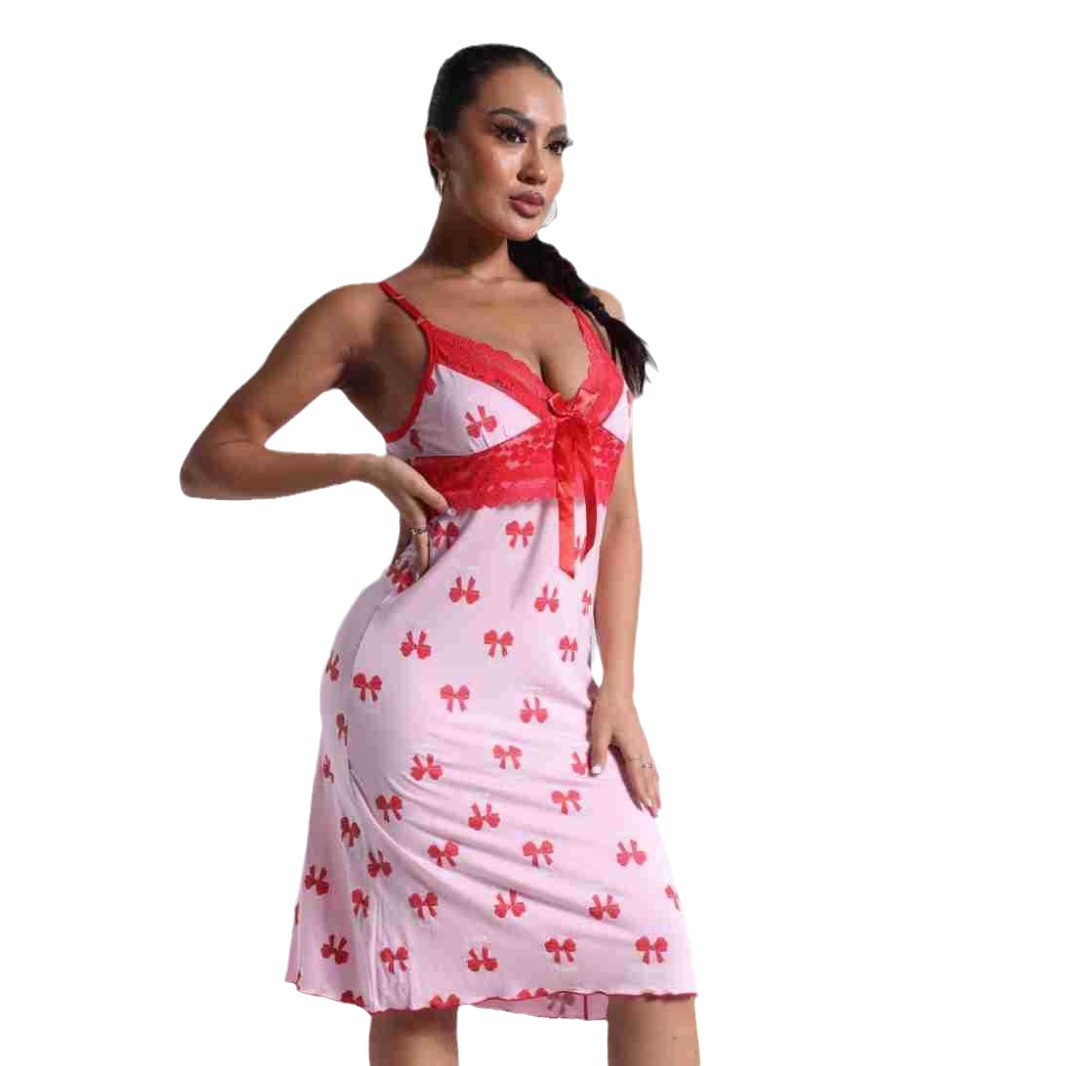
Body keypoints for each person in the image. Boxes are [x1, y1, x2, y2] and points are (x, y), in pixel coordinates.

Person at [181, 43, 700, 1066]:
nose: (538, 168)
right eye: (509, 135)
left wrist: (621, 688)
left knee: (652, 943)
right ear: (438, 150)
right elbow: (211, 460)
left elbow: (621, 517)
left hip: (558, 697)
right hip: (414, 695)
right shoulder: (369, 314)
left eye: (556, 145)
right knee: (421, 979)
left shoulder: (594, 313)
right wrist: (360, 468)